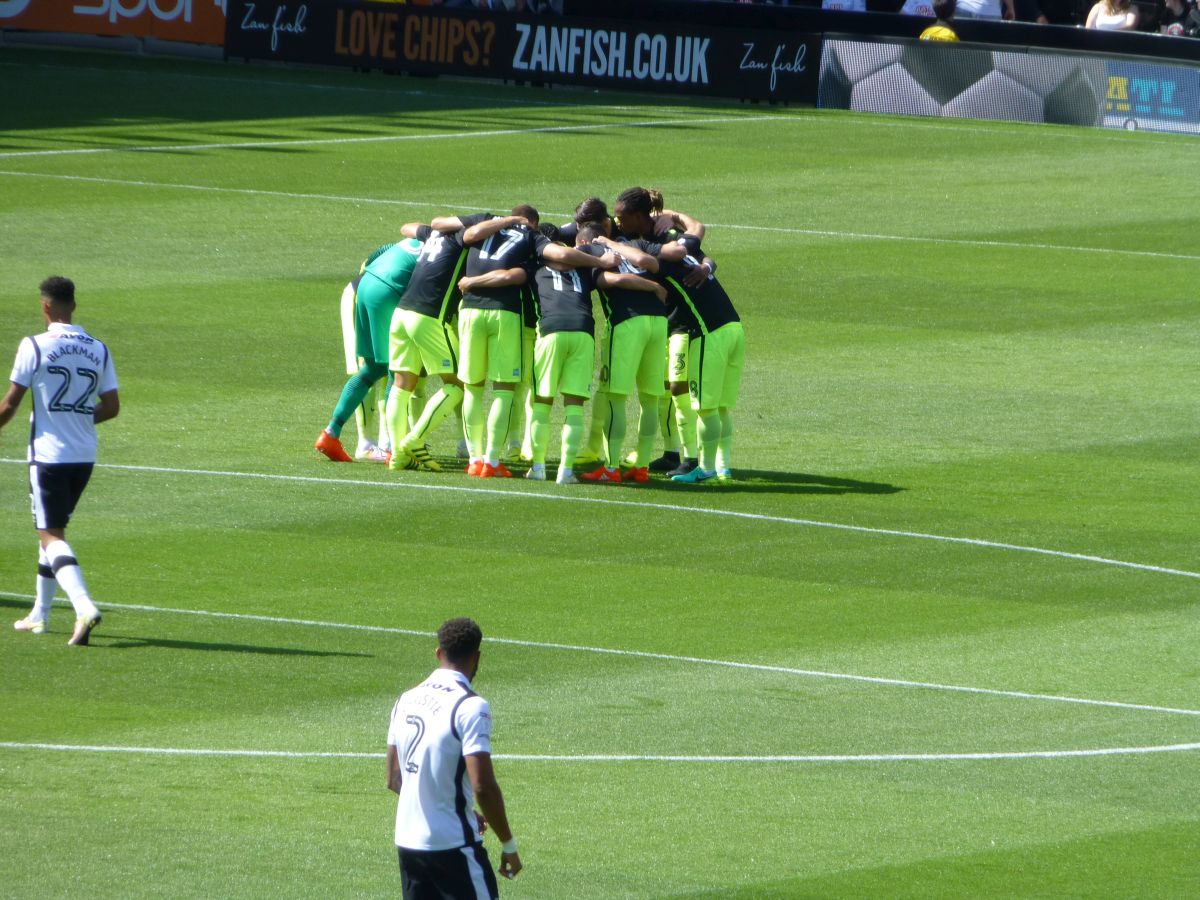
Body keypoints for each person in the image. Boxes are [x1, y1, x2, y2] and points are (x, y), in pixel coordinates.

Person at [1, 276, 119, 645]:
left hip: (49, 455)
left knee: (49, 534)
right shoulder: (98, 347)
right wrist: (78, 419)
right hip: (84, 455)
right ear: (74, 305)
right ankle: (41, 613)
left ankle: (83, 606)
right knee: (54, 530)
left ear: (45, 306)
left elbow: (9, 404)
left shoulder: (34, 345)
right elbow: (112, 407)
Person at [457, 207, 617, 478]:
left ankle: (533, 467)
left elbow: (509, 275)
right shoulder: (585, 263)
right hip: (583, 333)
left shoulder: (532, 265)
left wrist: (472, 281)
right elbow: (577, 259)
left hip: (548, 330)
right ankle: (565, 471)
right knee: (573, 406)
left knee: (538, 401)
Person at [387, 618, 521, 898]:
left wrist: (453, 805)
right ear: (477, 658)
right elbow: (483, 787)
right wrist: (508, 845)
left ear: (438, 653)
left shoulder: (405, 699)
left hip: (408, 845)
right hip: (453, 847)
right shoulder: (470, 706)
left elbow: (394, 779)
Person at [526, 223, 666, 484]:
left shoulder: (543, 263)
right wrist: (654, 287)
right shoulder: (614, 254)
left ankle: (545, 467)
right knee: (646, 399)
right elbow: (653, 264)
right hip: (605, 329)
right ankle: (571, 470)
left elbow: (615, 278)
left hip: (574, 328)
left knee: (549, 402)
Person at [384, 214, 492, 472]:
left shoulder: (434, 235)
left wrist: (435, 227)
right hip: (429, 317)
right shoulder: (459, 238)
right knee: (457, 385)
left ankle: (398, 455)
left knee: (402, 386)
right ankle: (415, 440)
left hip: (401, 315)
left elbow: (405, 226)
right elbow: (473, 233)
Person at [316, 236, 424, 463]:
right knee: (397, 368)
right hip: (386, 293)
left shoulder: (411, 241)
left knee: (374, 368)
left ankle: (331, 433)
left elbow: (371, 260)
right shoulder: (447, 252)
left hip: (361, 287)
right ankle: (392, 448)